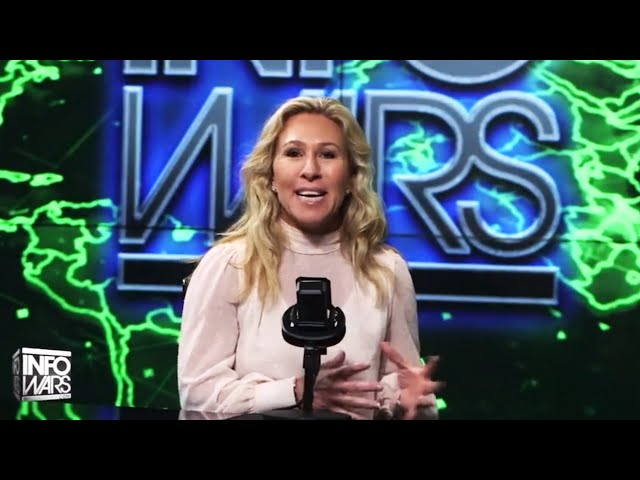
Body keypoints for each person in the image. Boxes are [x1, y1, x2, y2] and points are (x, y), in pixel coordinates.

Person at [177, 96, 443, 420]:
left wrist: (410, 404)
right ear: (270, 174)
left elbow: (403, 392)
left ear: (351, 176)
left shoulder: (386, 270)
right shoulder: (229, 265)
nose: (311, 170)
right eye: (294, 153)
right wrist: (296, 392)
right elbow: (198, 395)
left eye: (327, 154)